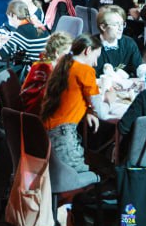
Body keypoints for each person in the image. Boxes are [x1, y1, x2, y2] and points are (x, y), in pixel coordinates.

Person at [39, 35, 103, 176]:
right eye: (96, 57)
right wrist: (108, 99)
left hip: (48, 131)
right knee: (83, 173)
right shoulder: (85, 70)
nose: (95, 63)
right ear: (87, 51)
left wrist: (89, 111)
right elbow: (100, 110)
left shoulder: (63, 65)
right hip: (63, 134)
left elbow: (72, 97)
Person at [19, 31, 72, 112]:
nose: (69, 57)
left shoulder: (45, 62)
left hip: (35, 106)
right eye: (67, 54)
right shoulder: (45, 68)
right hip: (33, 110)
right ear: (57, 53)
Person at [95, 5, 142, 75]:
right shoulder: (92, 46)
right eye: (115, 24)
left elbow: (139, 69)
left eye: (122, 24)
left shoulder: (129, 44)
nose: (120, 28)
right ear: (103, 27)